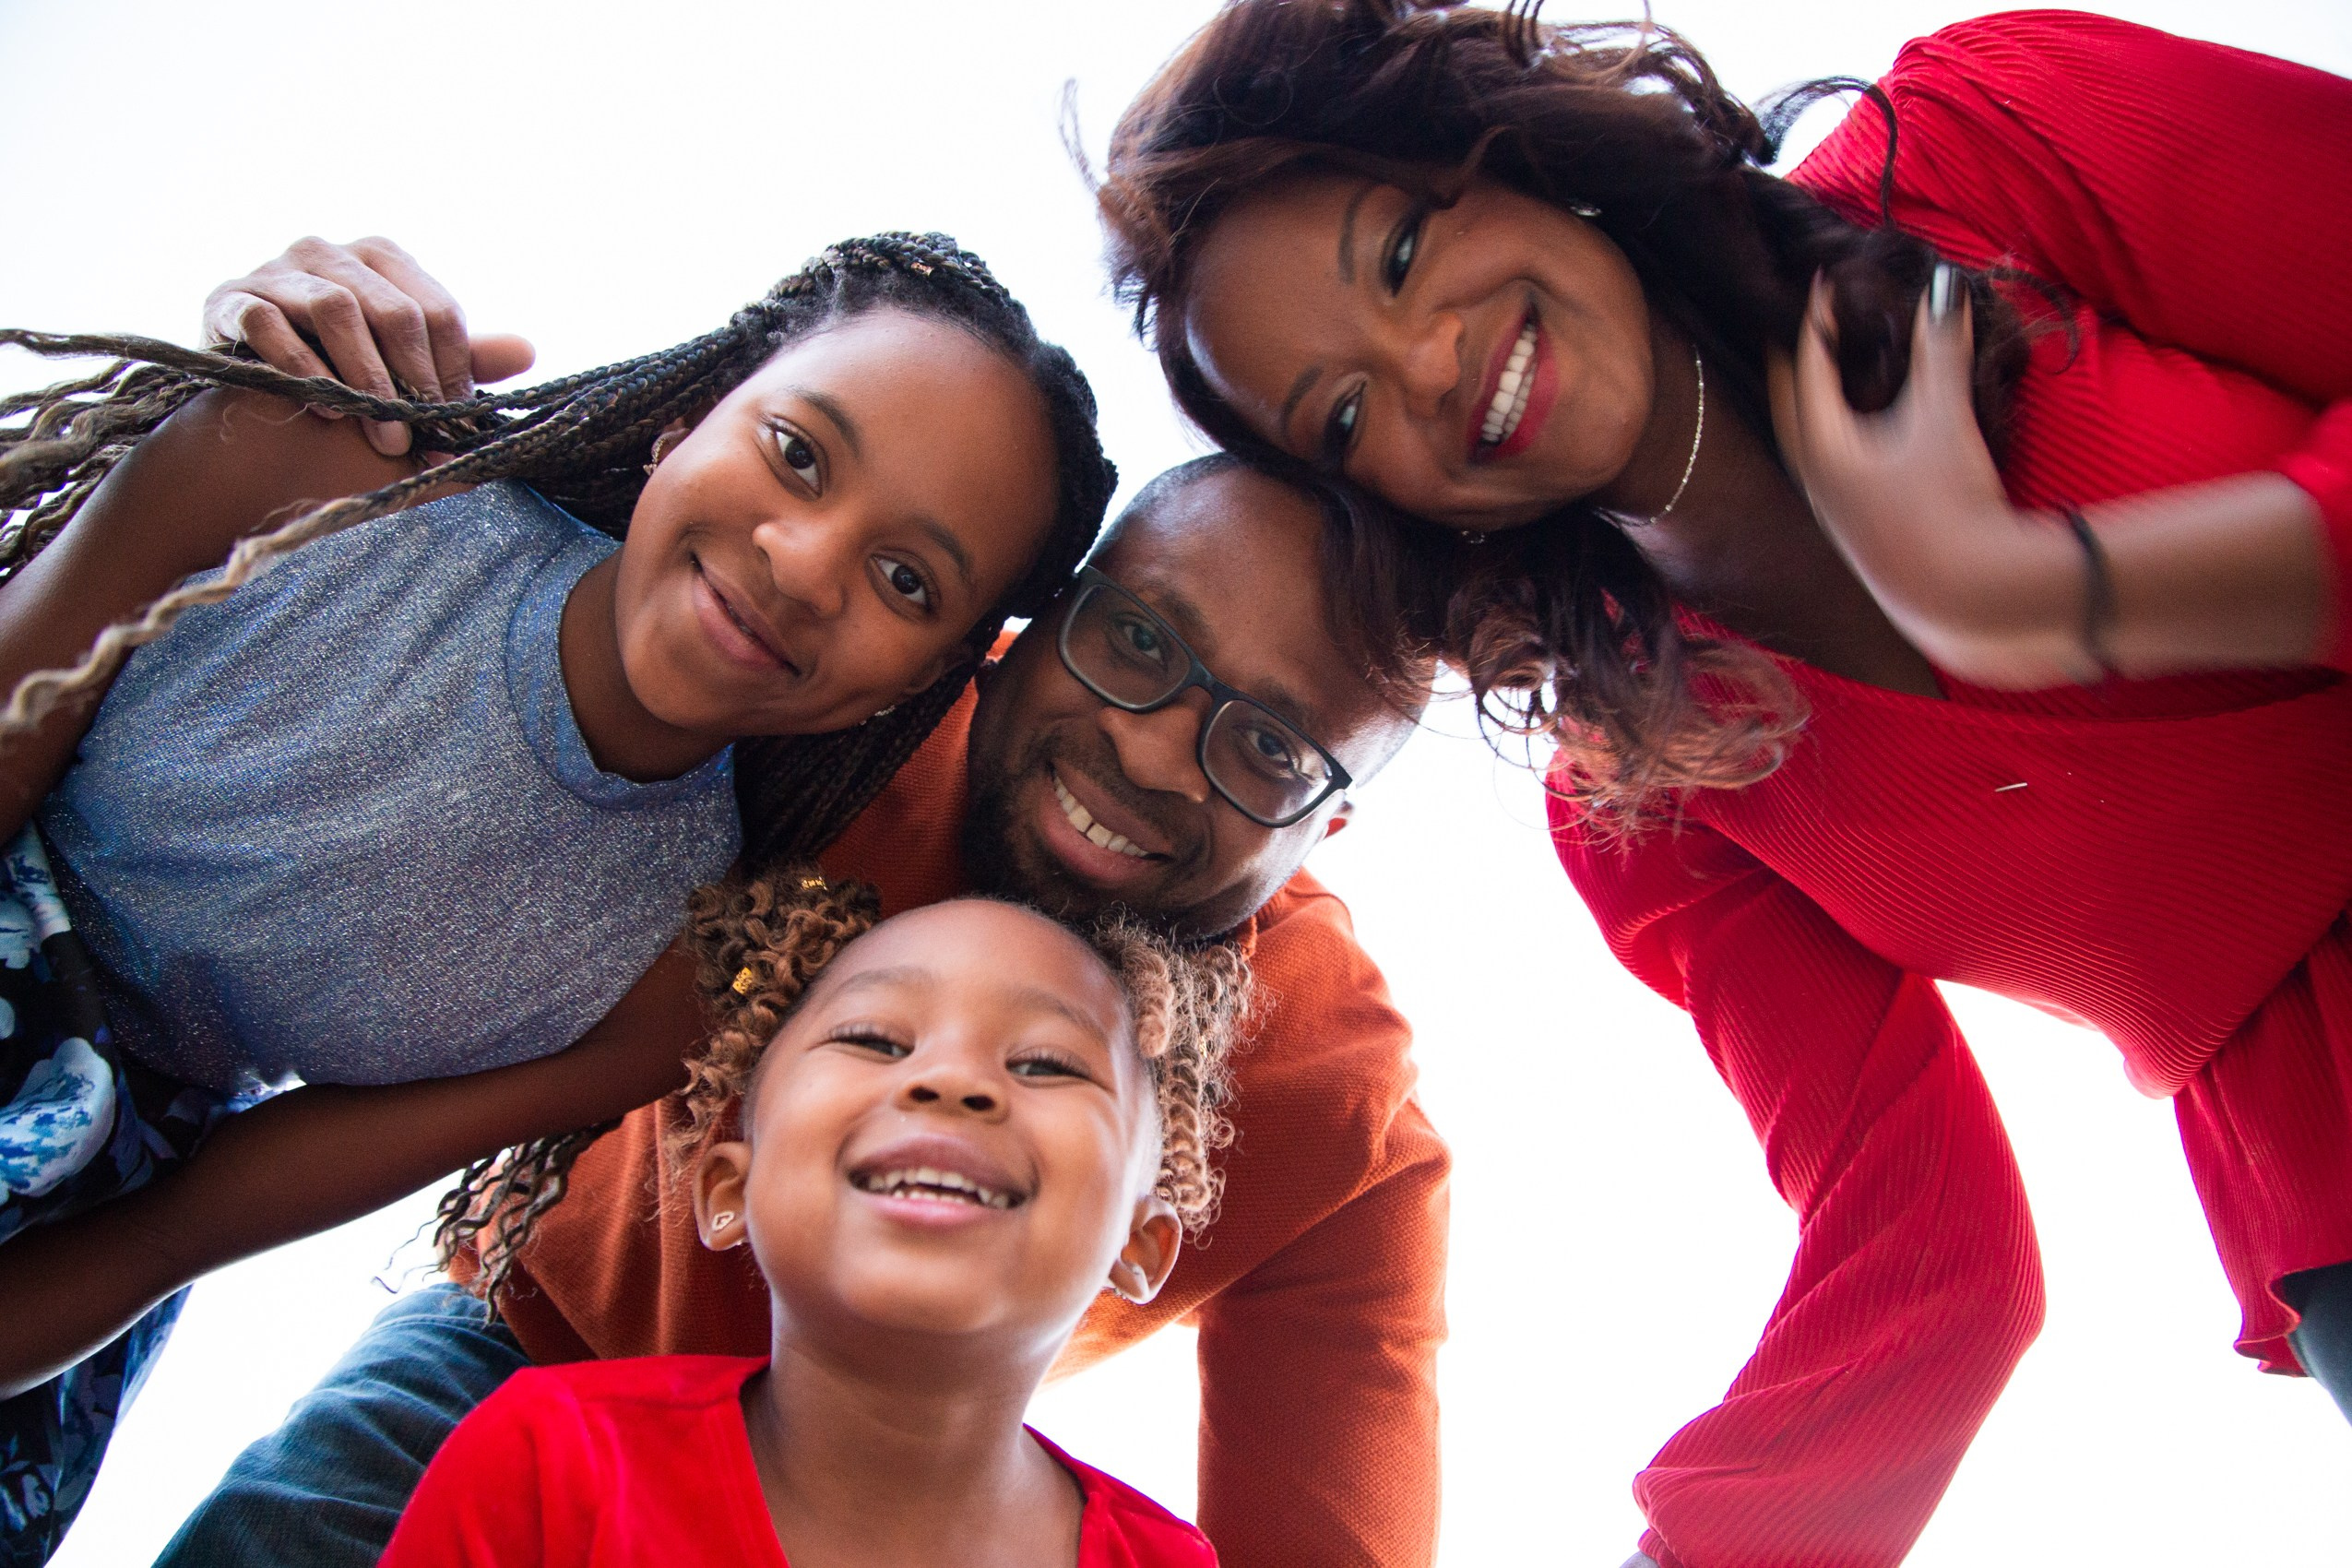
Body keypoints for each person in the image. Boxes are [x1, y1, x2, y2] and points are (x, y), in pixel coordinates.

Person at [1098, 5, 2352, 1566]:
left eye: (1403, 255)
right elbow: (1926, 1257)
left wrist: (2040, 595)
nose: (1434, 370)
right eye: (1345, 418)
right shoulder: (1644, 794)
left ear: (1500, 156)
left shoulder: (1985, 138)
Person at [144, 238, 1443, 1568]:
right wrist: (314, 351)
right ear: (1026, 624)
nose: (1155, 752)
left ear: (1330, 821)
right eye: (1135, 641)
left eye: (1273, 749)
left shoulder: (1331, 1108)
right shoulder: (835, 690)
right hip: (521, 1354)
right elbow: (602, 555)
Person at [0, 231, 1116, 1564]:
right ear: (682, 426)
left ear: (908, 686)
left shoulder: (665, 985)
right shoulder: (313, 467)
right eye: (799, 454)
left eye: (905, 581)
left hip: (56, 1233)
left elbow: (181, 1225)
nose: (805, 562)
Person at [380, 885, 1242, 1568]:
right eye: (872, 1039)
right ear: (727, 1191)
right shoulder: (548, 1462)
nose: (950, 1078)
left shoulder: (1165, 1560)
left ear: (1140, 1245)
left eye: (1047, 1063)